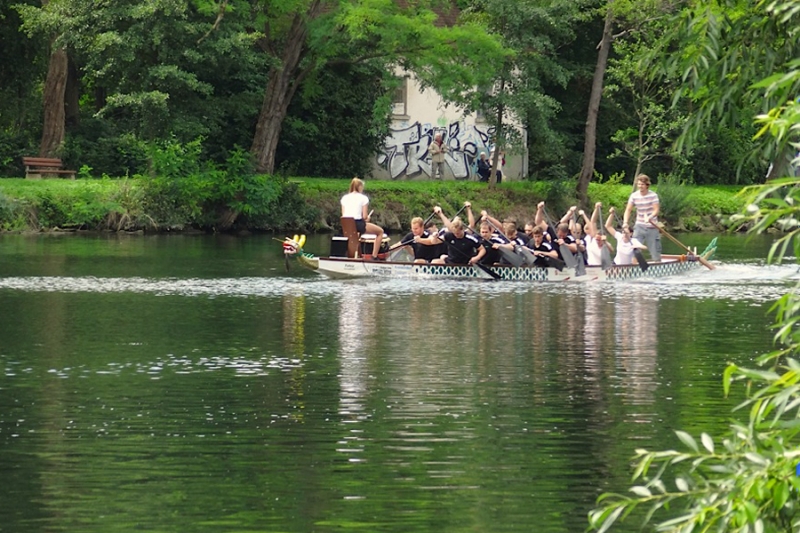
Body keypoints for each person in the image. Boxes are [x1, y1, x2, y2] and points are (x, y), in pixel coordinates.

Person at [340, 177, 384, 261]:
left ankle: (352, 255)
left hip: (346, 225)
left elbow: (344, 214)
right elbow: (364, 216)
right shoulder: (363, 198)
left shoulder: (344, 198)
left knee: (354, 235)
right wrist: (367, 218)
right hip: (357, 224)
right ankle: (374, 256)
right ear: (359, 187)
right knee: (380, 232)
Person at [623, 174, 661, 261]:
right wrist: (625, 222)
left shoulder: (653, 195)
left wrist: (649, 217)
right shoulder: (634, 196)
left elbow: (656, 210)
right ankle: (634, 266)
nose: (640, 186)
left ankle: (657, 263)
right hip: (639, 225)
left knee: (654, 249)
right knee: (635, 247)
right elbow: (628, 210)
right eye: (639, 184)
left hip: (652, 226)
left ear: (647, 185)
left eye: (642, 184)